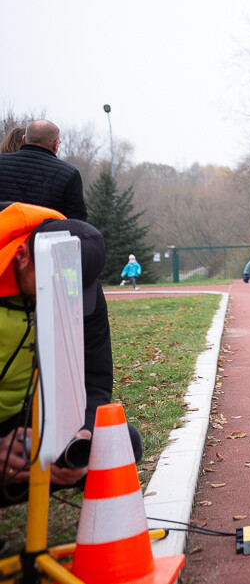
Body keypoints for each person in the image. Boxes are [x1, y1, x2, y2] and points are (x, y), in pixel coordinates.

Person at [0, 202, 141, 505]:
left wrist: (83, 432)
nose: (65, 302)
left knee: (120, 442)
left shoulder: (80, 283)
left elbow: (96, 380)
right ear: (22, 257)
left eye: (73, 291)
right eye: (50, 289)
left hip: (23, 419)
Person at [0, 120, 88, 220]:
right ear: (55, 145)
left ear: (24, 140)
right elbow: (76, 219)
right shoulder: (70, 174)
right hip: (44, 234)